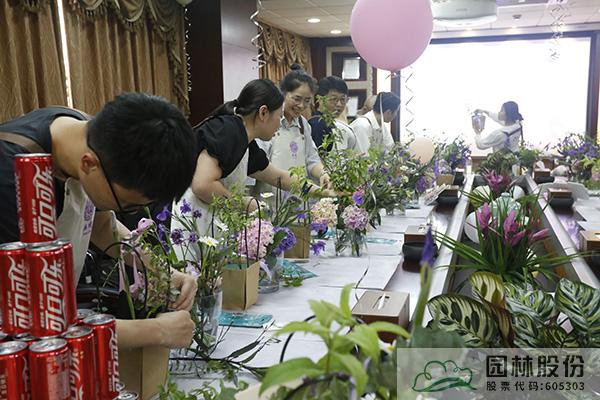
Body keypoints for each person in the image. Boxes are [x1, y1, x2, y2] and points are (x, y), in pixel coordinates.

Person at [0, 93, 198, 349]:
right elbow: (33, 321)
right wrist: (156, 331)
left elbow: (101, 225)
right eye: (126, 205)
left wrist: (162, 271)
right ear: (88, 164)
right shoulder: (13, 179)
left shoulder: (87, 134)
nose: (128, 211)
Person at [172, 79, 336, 237]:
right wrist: (243, 203)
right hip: (191, 219)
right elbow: (202, 185)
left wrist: (323, 192)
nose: (279, 124)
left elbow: (281, 178)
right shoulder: (227, 130)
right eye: (279, 116)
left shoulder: (246, 142)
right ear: (263, 113)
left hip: (209, 220)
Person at [256, 66, 330, 192]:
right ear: (284, 94)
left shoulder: (303, 124)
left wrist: (323, 174)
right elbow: (258, 167)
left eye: (307, 101)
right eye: (297, 99)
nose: (301, 105)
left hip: (299, 195)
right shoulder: (268, 121)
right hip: (271, 197)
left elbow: (311, 159)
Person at [309, 76, 359, 152]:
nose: (339, 104)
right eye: (334, 99)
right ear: (320, 99)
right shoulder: (317, 124)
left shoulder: (330, 122)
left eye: (343, 99)